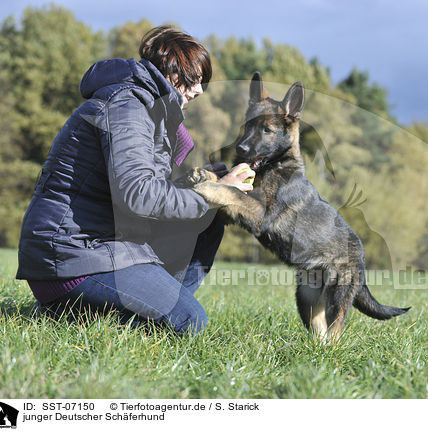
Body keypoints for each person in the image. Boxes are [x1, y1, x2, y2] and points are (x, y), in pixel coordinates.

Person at [16, 26, 254, 334]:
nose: (199, 91)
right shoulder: (127, 106)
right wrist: (214, 194)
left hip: (102, 248)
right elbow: (138, 194)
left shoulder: (147, 108)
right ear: (171, 71)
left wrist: (213, 184)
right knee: (188, 321)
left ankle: (132, 309)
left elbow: (149, 191)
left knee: (208, 223)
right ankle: (76, 313)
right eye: (195, 79)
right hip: (72, 257)